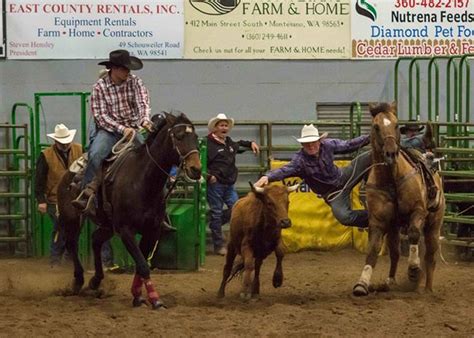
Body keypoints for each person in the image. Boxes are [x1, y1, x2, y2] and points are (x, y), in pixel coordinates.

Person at [72, 49, 154, 213]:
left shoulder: (135, 82)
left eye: (128, 69)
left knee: (151, 158)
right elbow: (101, 116)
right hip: (109, 131)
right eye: (124, 69)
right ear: (114, 69)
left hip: (132, 128)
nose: (128, 72)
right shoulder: (99, 88)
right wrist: (122, 129)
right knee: (96, 154)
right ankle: (88, 195)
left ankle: (155, 203)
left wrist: (144, 120)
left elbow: (142, 103)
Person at [255, 124, 371, 228]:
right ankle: (374, 217)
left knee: (370, 155)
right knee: (345, 217)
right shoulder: (300, 161)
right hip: (332, 194)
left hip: (344, 176)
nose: (311, 145)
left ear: (319, 141)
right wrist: (267, 177)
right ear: (302, 144)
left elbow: (348, 145)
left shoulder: (328, 145)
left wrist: (370, 138)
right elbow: (284, 170)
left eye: (313, 142)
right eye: (307, 143)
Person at [207, 113, 260, 255]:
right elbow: (201, 162)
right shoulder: (208, 144)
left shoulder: (229, 142)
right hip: (215, 184)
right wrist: (208, 176)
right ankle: (219, 245)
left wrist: (250, 143)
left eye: (226, 125)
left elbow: (239, 144)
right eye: (221, 125)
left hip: (228, 183)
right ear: (215, 128)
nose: (224, 128)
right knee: (218, 212)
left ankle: (231, 240)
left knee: (237, 210)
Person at [35, 124, 83, 266]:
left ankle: (66, 260)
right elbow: (39, 179)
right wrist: (41, 200)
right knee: (61, 227)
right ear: (56, 142)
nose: (65, 145)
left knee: (69, 229)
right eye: (62, 142)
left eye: (67, 141)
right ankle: (56, 260)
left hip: (75, 198)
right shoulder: (46, 155)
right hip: (54, 199)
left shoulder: (79, 150)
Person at [400, 121, 440, 210]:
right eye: (410, 131)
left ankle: (432, 191)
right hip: (405, 167)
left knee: (429, 163)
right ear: (406, 132)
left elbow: (432, 149)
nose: (413, 133)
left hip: (419, 164)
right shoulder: (402, 142)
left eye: (416, 131)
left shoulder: (419, 142)